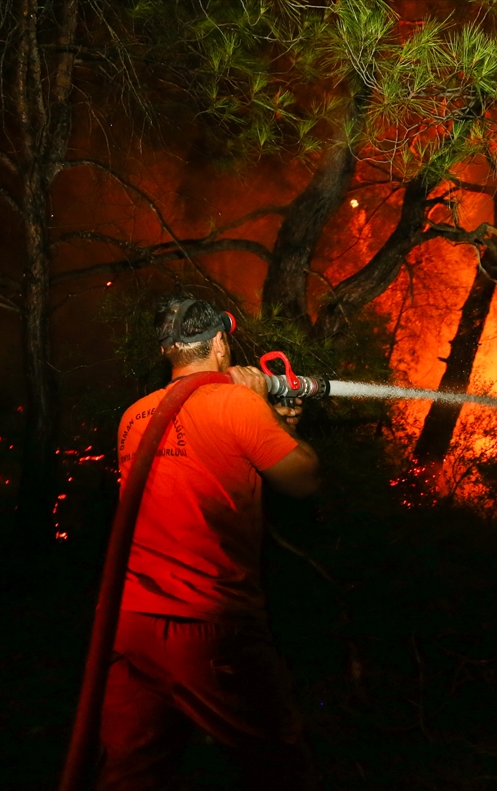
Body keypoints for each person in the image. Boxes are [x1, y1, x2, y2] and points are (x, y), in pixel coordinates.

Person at [98, 297, 320, 791]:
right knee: (277, 764)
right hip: (211, 625)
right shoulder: (238, 403)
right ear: (220, 342)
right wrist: (277, 416)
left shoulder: (134, 416)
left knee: (132, 770)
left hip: (132, 624)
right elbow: (303, 480)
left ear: (167, 350)